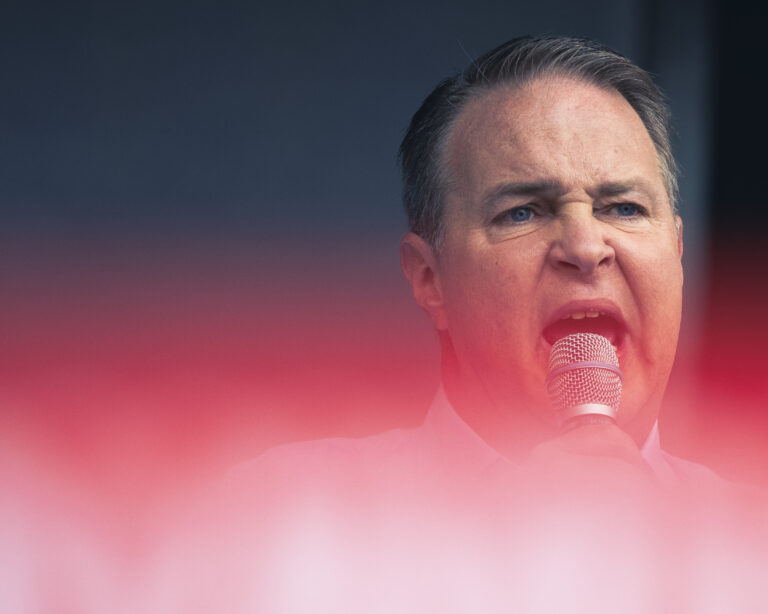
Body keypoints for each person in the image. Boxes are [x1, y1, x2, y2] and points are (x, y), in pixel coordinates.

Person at [162, 35, 765, 613]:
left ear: (678, 254)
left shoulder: (751, 544)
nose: (586, 247)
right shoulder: (284, 519)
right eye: (522, 212)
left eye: (625, 208)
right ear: (429, 278)